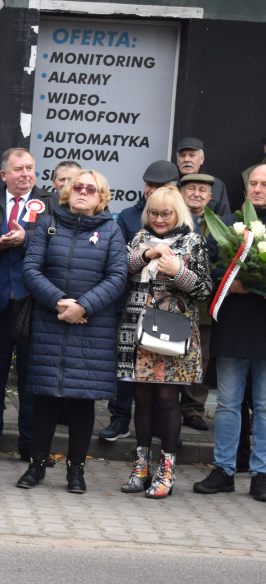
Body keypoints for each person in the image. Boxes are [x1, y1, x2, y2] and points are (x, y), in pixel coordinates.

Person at [16, 169, 127, 493]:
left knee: (83, 402)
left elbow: (118, 277)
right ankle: (36, 466)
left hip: (91, 328)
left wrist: (84, 307)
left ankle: (75, 471)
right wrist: (59, 302)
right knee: (45, 398)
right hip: (51, 322)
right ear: (67, 192)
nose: (82, 192)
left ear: (101, 196)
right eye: (77, 186)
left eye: (90, 189)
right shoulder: (48, 224)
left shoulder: (111, 230)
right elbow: (31, 268)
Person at [116, 186, 212, 498]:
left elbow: (204, 289)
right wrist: (144, 256)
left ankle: (166, 471)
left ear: (177, 214)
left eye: (165, 213)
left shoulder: (193, 242)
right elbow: (123, 273)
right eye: (153, 213)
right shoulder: (138, 240)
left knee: (169, 400)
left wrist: (178, 271)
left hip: (175, 331)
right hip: (138, 328)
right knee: (141, 399)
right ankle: (140, 467)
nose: (158, 219)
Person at [0, 148, 52, 464]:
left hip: (34, 303)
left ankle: (31, 445)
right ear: (3, 175)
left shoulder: (48, 203)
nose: (26, 174)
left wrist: (25, 239)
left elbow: (54, 243)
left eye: (30, 168)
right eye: (18, 169)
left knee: (33, 378)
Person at [193, 164, 266, 501]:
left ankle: (261, 473)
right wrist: (231, 279)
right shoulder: (233, 225)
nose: (258, 189)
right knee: (227, 404)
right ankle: (223, 469)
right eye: (253, 183)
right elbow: (209, 264)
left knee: (265, 406)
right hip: (234, 323)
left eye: (264, 184)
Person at [99, 160, 180, 442]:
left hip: (168, 310)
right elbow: (118, 260)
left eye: (160, 186)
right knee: (125, 369)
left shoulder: (184, 225)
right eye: (149, 184)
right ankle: (120, 419)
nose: (152, 190)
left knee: (160, 371)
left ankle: (160, 426)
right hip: (130, 305)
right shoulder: (129, 218)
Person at [177, 173, 218, 431]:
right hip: (175, 302)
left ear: (210, 197)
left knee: (200, 360)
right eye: (191, 188)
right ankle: (165, 407)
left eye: (202, 190)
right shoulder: (174, 217)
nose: (197, 194)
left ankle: (193, 410)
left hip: (204, 307)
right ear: (182, 193)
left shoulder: (220, 224)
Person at [175, 137, 230, 215]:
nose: (186, 159)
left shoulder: (216, 185)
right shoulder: (170, 184)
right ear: (177, 160)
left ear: (202, 158)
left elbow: (224, 220)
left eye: (192, 155)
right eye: (182, 155)